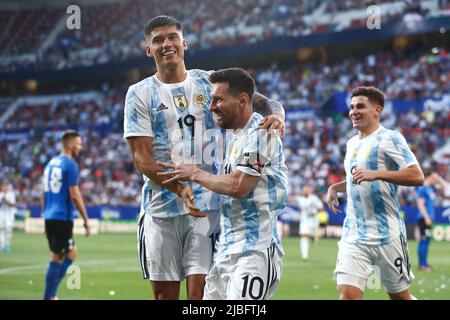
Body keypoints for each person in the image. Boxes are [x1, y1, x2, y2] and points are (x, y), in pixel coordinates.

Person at [123, 16, 285, 300]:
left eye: (172, 37)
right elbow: (141, 157)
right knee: (164, 297)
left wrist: (278, 115)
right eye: (158, 40)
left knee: (200, 297)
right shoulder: (139, 93)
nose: (166, 44)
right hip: (161, 209)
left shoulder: (207, 81)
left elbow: (262, 101)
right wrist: (179, 188)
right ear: (148, 49)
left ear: (183, 43)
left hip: (206, 208)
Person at [158, 68, 288, 300]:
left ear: (242, 101)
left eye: (218, 100)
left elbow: (239, 186)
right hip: (226, 252)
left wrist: (195, 173)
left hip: (254, 252)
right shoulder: (235, 137)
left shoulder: (262, 135)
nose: (211, 107)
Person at [326, 86, 424, 300]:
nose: (354, 111)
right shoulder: (351, 143)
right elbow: (359, 177)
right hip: (354, 233)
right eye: (351, 107)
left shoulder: (390, 138)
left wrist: (377, 174)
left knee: (400, 297)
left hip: (386, 234)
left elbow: (417, 176)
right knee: (348, 295)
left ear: (377, 110)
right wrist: (335, 187)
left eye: (360, 106)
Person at [42, 130, 91, 300]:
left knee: (70, 253)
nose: (81, 147)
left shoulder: (50, 164)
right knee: (60, 255)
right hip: (62, 216)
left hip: (51, 215)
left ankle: (51, 294)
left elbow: (44, 193)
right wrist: (86, 220)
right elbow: (75, 195)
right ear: (70, 145)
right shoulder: (70, 164)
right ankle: (49, 295)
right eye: (78, 143)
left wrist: (45, 217)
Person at [416, 170, 448, 271]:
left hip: (429, 218)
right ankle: (422, 265)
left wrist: (438, 177)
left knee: (427, 241)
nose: (435, 180)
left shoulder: (430, 189)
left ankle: (425, 263)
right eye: (434, 178)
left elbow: (445, 186)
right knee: (424, 241)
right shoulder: (422, 188)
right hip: (424, 218)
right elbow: (420, 204)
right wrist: (426, 218)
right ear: (428, 177)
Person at [296, 184, 323, 261]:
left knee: (310, 235)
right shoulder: (300, 199)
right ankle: (305, 256)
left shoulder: (314, 198)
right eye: (304, 189)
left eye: (306, 189)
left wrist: (314, 212)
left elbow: (321, 208)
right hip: (304, 220)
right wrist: (298, 215)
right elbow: (300, 209)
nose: (305, 191)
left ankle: (313, 238)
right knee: (304, 235)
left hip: (313, 220)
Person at [0, 180, 16, 252]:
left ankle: (8, 244)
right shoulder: (0, 194)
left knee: (9, 229)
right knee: (1, 230)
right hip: (1, 214)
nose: (4, 188)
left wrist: (6, 200)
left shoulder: (11, 194)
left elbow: (12, 204)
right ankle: (2, 245)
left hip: (9, 215)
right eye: (3, 186)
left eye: (6, 186)